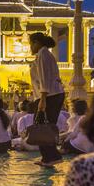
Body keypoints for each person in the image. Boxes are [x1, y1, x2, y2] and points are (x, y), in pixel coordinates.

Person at [29, 32, 65, 167]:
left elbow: (45, 77)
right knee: (44, 126)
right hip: (51, 95)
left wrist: (43, 99)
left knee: (42, 127)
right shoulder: (45, 54)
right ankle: (49, 157)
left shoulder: (43, 54)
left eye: (31, 44)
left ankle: (52, 157)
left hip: (49, 96)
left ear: (37, 43)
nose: (30, 47)